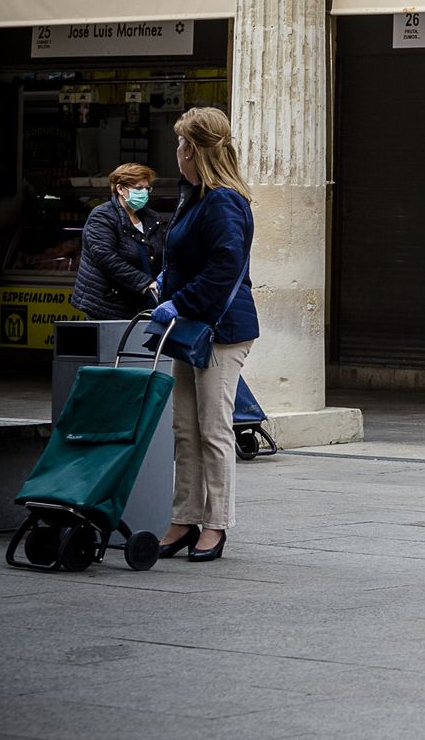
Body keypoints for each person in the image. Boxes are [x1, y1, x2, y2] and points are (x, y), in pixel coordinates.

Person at [149, 107, 258, 563]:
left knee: (212, 428)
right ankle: (185, 516)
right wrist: (164, 284)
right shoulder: (193, 196)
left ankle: (216, 524)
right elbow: (190, 258)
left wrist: (182, 302)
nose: (176, 151)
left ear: (191, 149)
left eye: (179, 144)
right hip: (189, 327)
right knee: (185, 429)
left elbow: (225, 265)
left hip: (219, 330)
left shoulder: (222, 200)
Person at [71, 163, 166, 320]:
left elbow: (161, 254)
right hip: (106, 304)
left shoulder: (151, 218)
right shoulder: (102, 216)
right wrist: (145, 283)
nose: (144, 193)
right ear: (120, 189)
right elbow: (107, 258)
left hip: (141, 303)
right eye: (138, 188)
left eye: (147, 188)